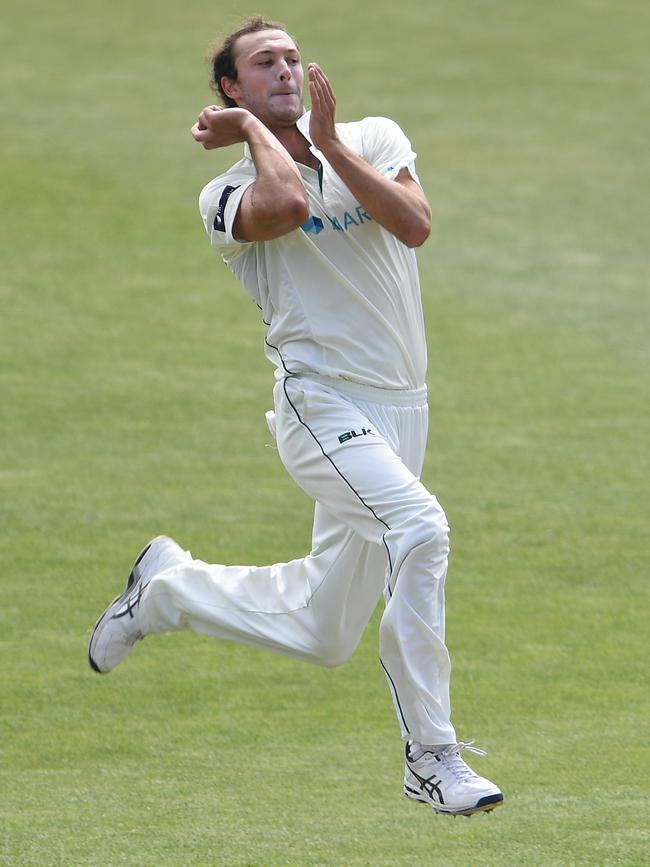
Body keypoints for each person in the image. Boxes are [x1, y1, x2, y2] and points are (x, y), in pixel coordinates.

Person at [88, 17, 503, 817]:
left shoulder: (374, 136)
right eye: (260, 65)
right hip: (320, 404)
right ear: (231, 90)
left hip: (402, 407)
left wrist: (332, 146)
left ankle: (168, 590)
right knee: (421, 528)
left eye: (289, 56)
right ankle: (432, 755)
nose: (283, 69)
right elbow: (282, 204)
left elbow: (414, 225)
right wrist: (253, 130)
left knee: (324, 630)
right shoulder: (225, 195)